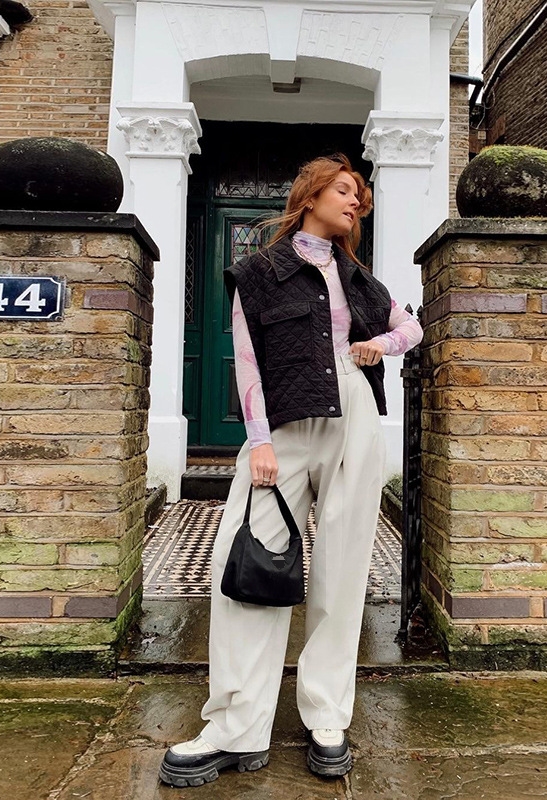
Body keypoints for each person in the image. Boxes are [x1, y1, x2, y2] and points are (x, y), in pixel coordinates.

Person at [159, 154, 423, 788]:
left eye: (360, 196)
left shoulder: (360, 279)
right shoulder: (259, 272)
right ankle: (235, 725)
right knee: (248, 564)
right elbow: (246, 361)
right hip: (282, 426)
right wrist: (258, 444)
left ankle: (327, 716)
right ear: (309, 196)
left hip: (353, 417)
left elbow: (410, 327)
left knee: (343, 566)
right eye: (344, 191)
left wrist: (379, 345)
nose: (355, 202)